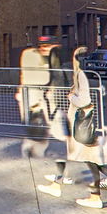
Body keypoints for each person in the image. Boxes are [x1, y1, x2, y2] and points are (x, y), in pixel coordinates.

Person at [37, 46, 107, 209]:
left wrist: (72, 97)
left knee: (91, 161)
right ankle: (97, 193)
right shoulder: (79, 75)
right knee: (89, 160)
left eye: (74, 59)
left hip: (81, 125)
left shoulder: (80, 75)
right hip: (79, 124)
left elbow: (84, 101)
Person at [16, 34, 69, 165]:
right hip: (32, 98)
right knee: (38, 128)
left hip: (46, 99)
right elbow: (40, 78)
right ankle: (32, 157)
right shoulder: (30, 55)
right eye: (42, 46)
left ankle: (35, 155)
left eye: (48, 46)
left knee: (46, 130)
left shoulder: (54, 58)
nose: (44, 49)